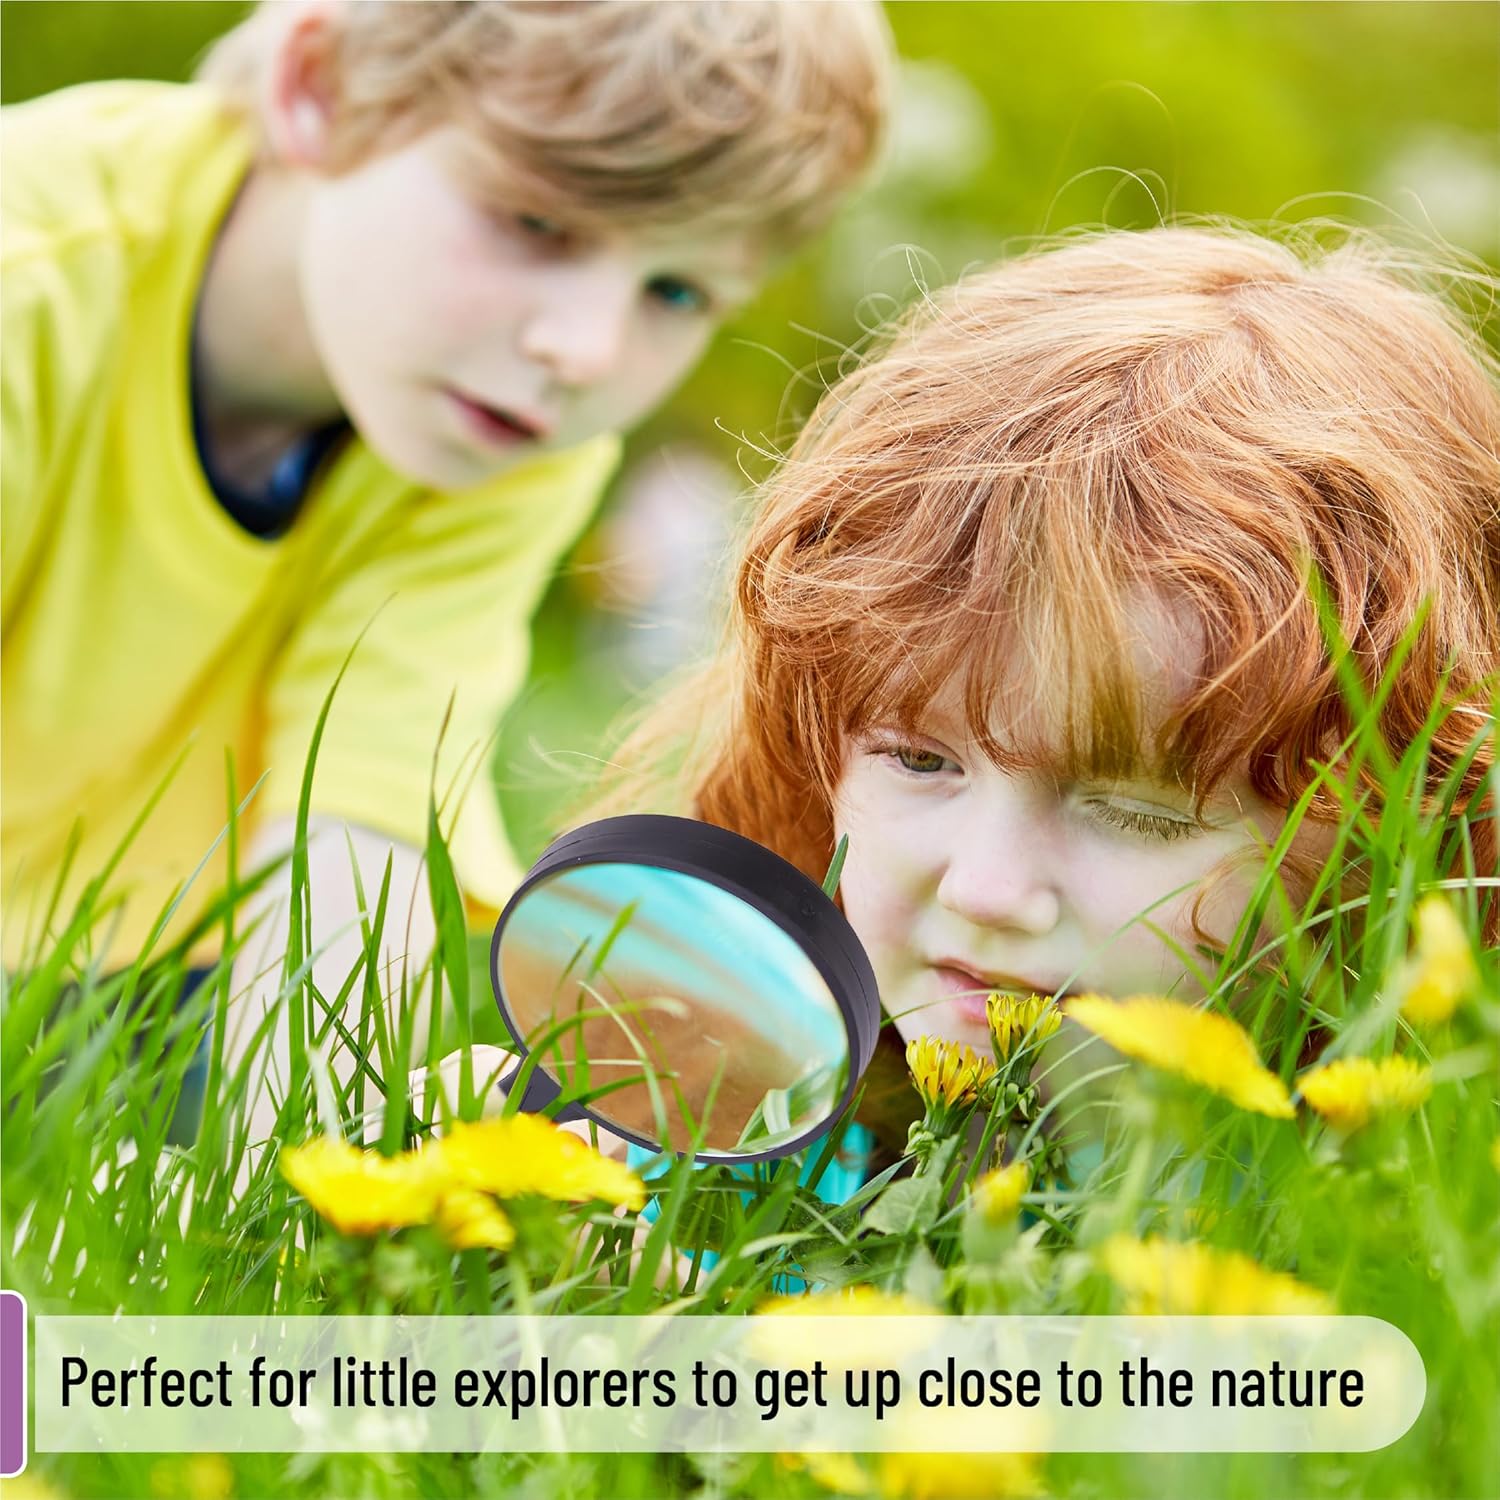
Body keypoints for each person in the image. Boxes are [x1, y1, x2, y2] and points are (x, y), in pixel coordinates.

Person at [1, 0, 893, 1147]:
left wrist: (299, 1185)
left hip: (130, 958)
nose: (586, 350)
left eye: (674, 292)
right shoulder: (32, 278)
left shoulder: (507, 426)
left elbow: (357, 817)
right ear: (321, 90)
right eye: (537, 222)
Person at [555, 221, 1499, 1179]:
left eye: (1138, 810)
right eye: (920, 759)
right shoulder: (743, 1125)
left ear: (1401, 844)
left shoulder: (1408, 1231)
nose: (984, 891)